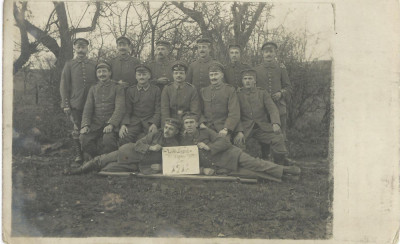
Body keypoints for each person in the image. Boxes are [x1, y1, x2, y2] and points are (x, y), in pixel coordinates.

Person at [180, 113, 300, 181]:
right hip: (220, 166)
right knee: (252, 174)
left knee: (256, 164)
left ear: (196, 124)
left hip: (232, 155)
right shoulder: (183, 141)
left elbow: (225, 142)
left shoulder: (206, 132)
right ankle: (285, 178)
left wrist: (209, 147)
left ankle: (287, 170)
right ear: (184, 125)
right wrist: (202, 170)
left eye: (191, 122)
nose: (189, 125)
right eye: (186, 123)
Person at [64, 118, 181, 175]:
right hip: (128, 152)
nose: (167, 131)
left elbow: (175, 163)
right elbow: (138, 144)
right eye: (166, 127)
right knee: (102, 159)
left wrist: (161, 167)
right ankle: (77, 171)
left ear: (176, 132)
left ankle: (90, 169)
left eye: (171, 129)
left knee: (107, 169)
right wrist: (150, 148)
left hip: (138, 166)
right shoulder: (156, 134)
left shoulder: (175, 145)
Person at [234, 69, 295, 165]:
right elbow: (235, 114)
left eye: (250, 78)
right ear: (242, 81)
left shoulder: (262, 93)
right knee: (237, 143)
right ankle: (243, 166)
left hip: (261, 127)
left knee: (278, 138)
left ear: (255, 81)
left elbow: (272, 108)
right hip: (245, 129)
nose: (247, 81)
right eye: (245, 79)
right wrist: (239, 131)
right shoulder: (238, 95)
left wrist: (275, 123)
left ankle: (280, 163)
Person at [60, 38, 97, 167]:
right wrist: (66, 104)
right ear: (75, 49)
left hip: (93, 103)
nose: (81, 50)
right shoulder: (69, 64)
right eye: (78, 47)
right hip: (76, 103)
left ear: (87, 49)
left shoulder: (94, 64)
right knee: (77, 128)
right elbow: (64, 85)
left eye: (83, 47)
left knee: (90, 128)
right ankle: (79, 155)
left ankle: (90, 154)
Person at [80, 61, 125, 158]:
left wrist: (112, 124)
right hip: (96, 123)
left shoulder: (118, 87)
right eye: (99, 72)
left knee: (108, 140)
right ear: (96, 74)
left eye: (104, 71)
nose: (102, 74)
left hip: (111, 123)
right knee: (84, 138)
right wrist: (85, 125)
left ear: (110, 73)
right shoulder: (93, 88)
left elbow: (119, 108)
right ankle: (95, 158)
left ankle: (108, 160)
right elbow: (88, 109)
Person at [254, 42, 292, 139]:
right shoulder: (256, 70)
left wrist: (281, 93)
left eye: (271, 51)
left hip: (279, 106)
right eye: (266, 52)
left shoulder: (281, 68)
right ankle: (265, 154)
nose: (268, 54)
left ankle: (281, 153)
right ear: (262, 53)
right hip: (263, 108)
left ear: (275, 53)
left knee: (280, 133)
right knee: (264, 134)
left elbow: (288, 87)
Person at [119, 64, 161, 145]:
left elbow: (158, 109)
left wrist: (154, 123)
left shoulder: (156, 90)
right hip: (134, 121)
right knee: (124, 137)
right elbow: (127, 110)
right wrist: (123, 124)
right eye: (139, 75)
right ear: (136, 76)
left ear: (149, 76)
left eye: (144, 74)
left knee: (153, 139)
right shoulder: (130, 90)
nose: (141, 77)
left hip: (149, 121)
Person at [199, 62, 240, 138]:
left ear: (222, 75)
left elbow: (234, 113)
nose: (213, 77)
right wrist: (202, 123)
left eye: (216, 74)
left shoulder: (229, 90)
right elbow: (199, 111)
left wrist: (226, 128)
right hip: (206, 128)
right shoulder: (204, 91)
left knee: (223, 146)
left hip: (223, 129)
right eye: (211, 75)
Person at [160, 61, 201, 126]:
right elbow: (165, 110)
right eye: (176, 73)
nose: (178, 75)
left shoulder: (192, 89)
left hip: (187, 121)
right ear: (173, 75)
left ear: (185, 75)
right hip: (171, 121)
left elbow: (195, 111)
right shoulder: (167, 89)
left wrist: (190, 124)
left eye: (181, 73)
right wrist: (167, 124)